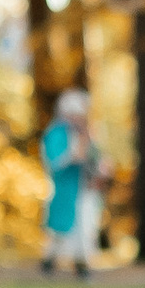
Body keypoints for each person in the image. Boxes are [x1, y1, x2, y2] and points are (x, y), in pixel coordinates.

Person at [41, 88, 101, 275]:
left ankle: (81, 264)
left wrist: (99, 168)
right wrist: (74, 155)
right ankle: (49, 261)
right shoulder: (57, 133)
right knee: (60, 230)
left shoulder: (86, 133)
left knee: (84, 226)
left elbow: (94, 159)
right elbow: (54, 161)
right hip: (64, 188)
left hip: (84, 188)